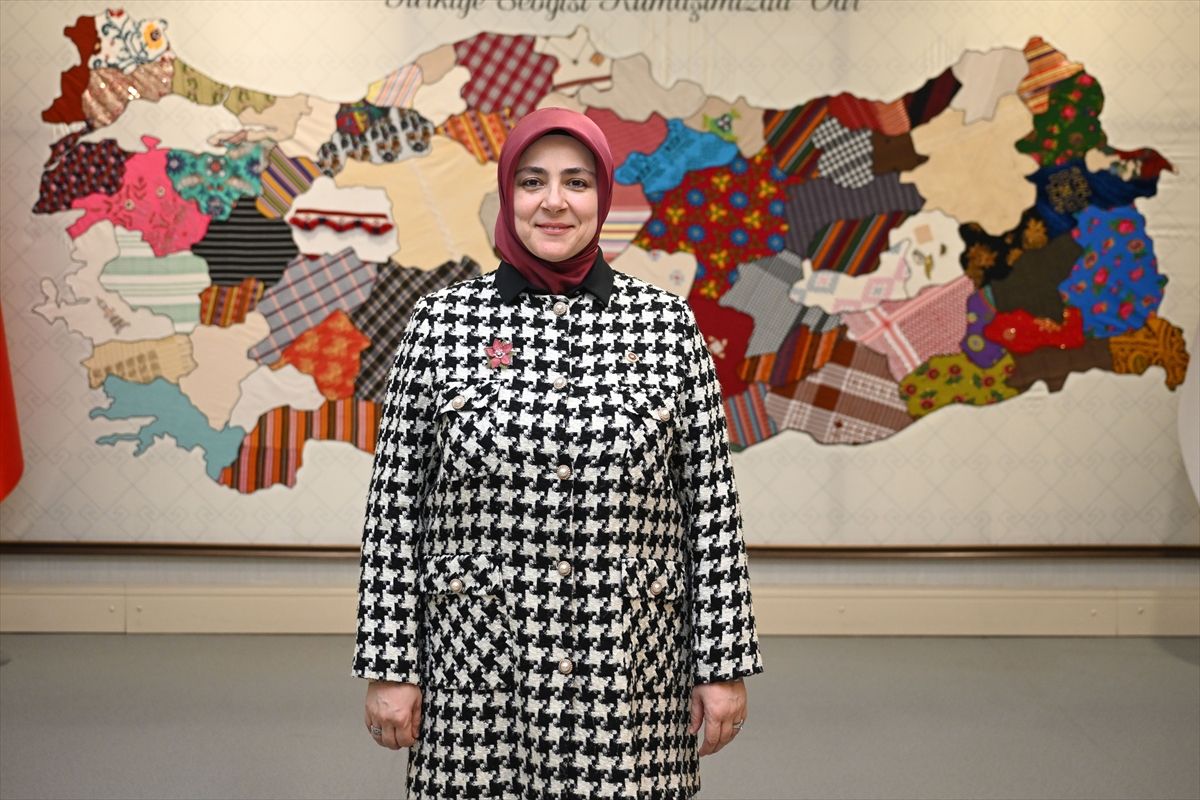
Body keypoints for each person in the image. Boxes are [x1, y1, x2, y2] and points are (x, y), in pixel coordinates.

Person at [353, 107, 763, 799]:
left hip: (629, 667)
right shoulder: (440, 325)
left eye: (576, 182)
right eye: (532, 181)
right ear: (507, 193)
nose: (554, 201)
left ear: (603, 196)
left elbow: (712, 511)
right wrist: (391, 664)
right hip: (477, 669)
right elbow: (394, 511)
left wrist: (722, 664)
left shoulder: (665, 326)